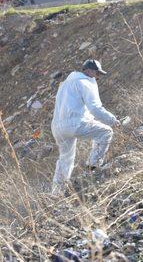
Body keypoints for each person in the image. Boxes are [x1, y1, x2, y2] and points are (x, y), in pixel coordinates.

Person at [51, 59, 120, 195]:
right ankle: (92, 167)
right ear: (88, 71)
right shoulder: (85, 82)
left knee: (66, 159)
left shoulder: (66, 83)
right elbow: (95, 108)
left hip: (58, 127)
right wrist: (112, 120)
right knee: (106, 132)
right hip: (75, 123)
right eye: (97, 73)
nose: (98, 77)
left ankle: (56, 193)